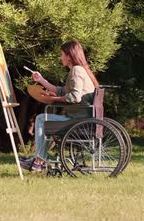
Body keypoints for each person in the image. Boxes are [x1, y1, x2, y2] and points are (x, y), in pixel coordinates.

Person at [21, 40, 99, 172]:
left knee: (41, 119)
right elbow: (62, 91)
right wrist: (41, 80)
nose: (60, 57)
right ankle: (40, 160)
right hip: (81, 119)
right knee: (44, 119)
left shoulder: (76, 71)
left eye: (62, 54)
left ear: (69, 56)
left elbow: (74, 97)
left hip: (77, 121)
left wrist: (53, 99)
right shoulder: (80, 70)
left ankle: (39, 161)